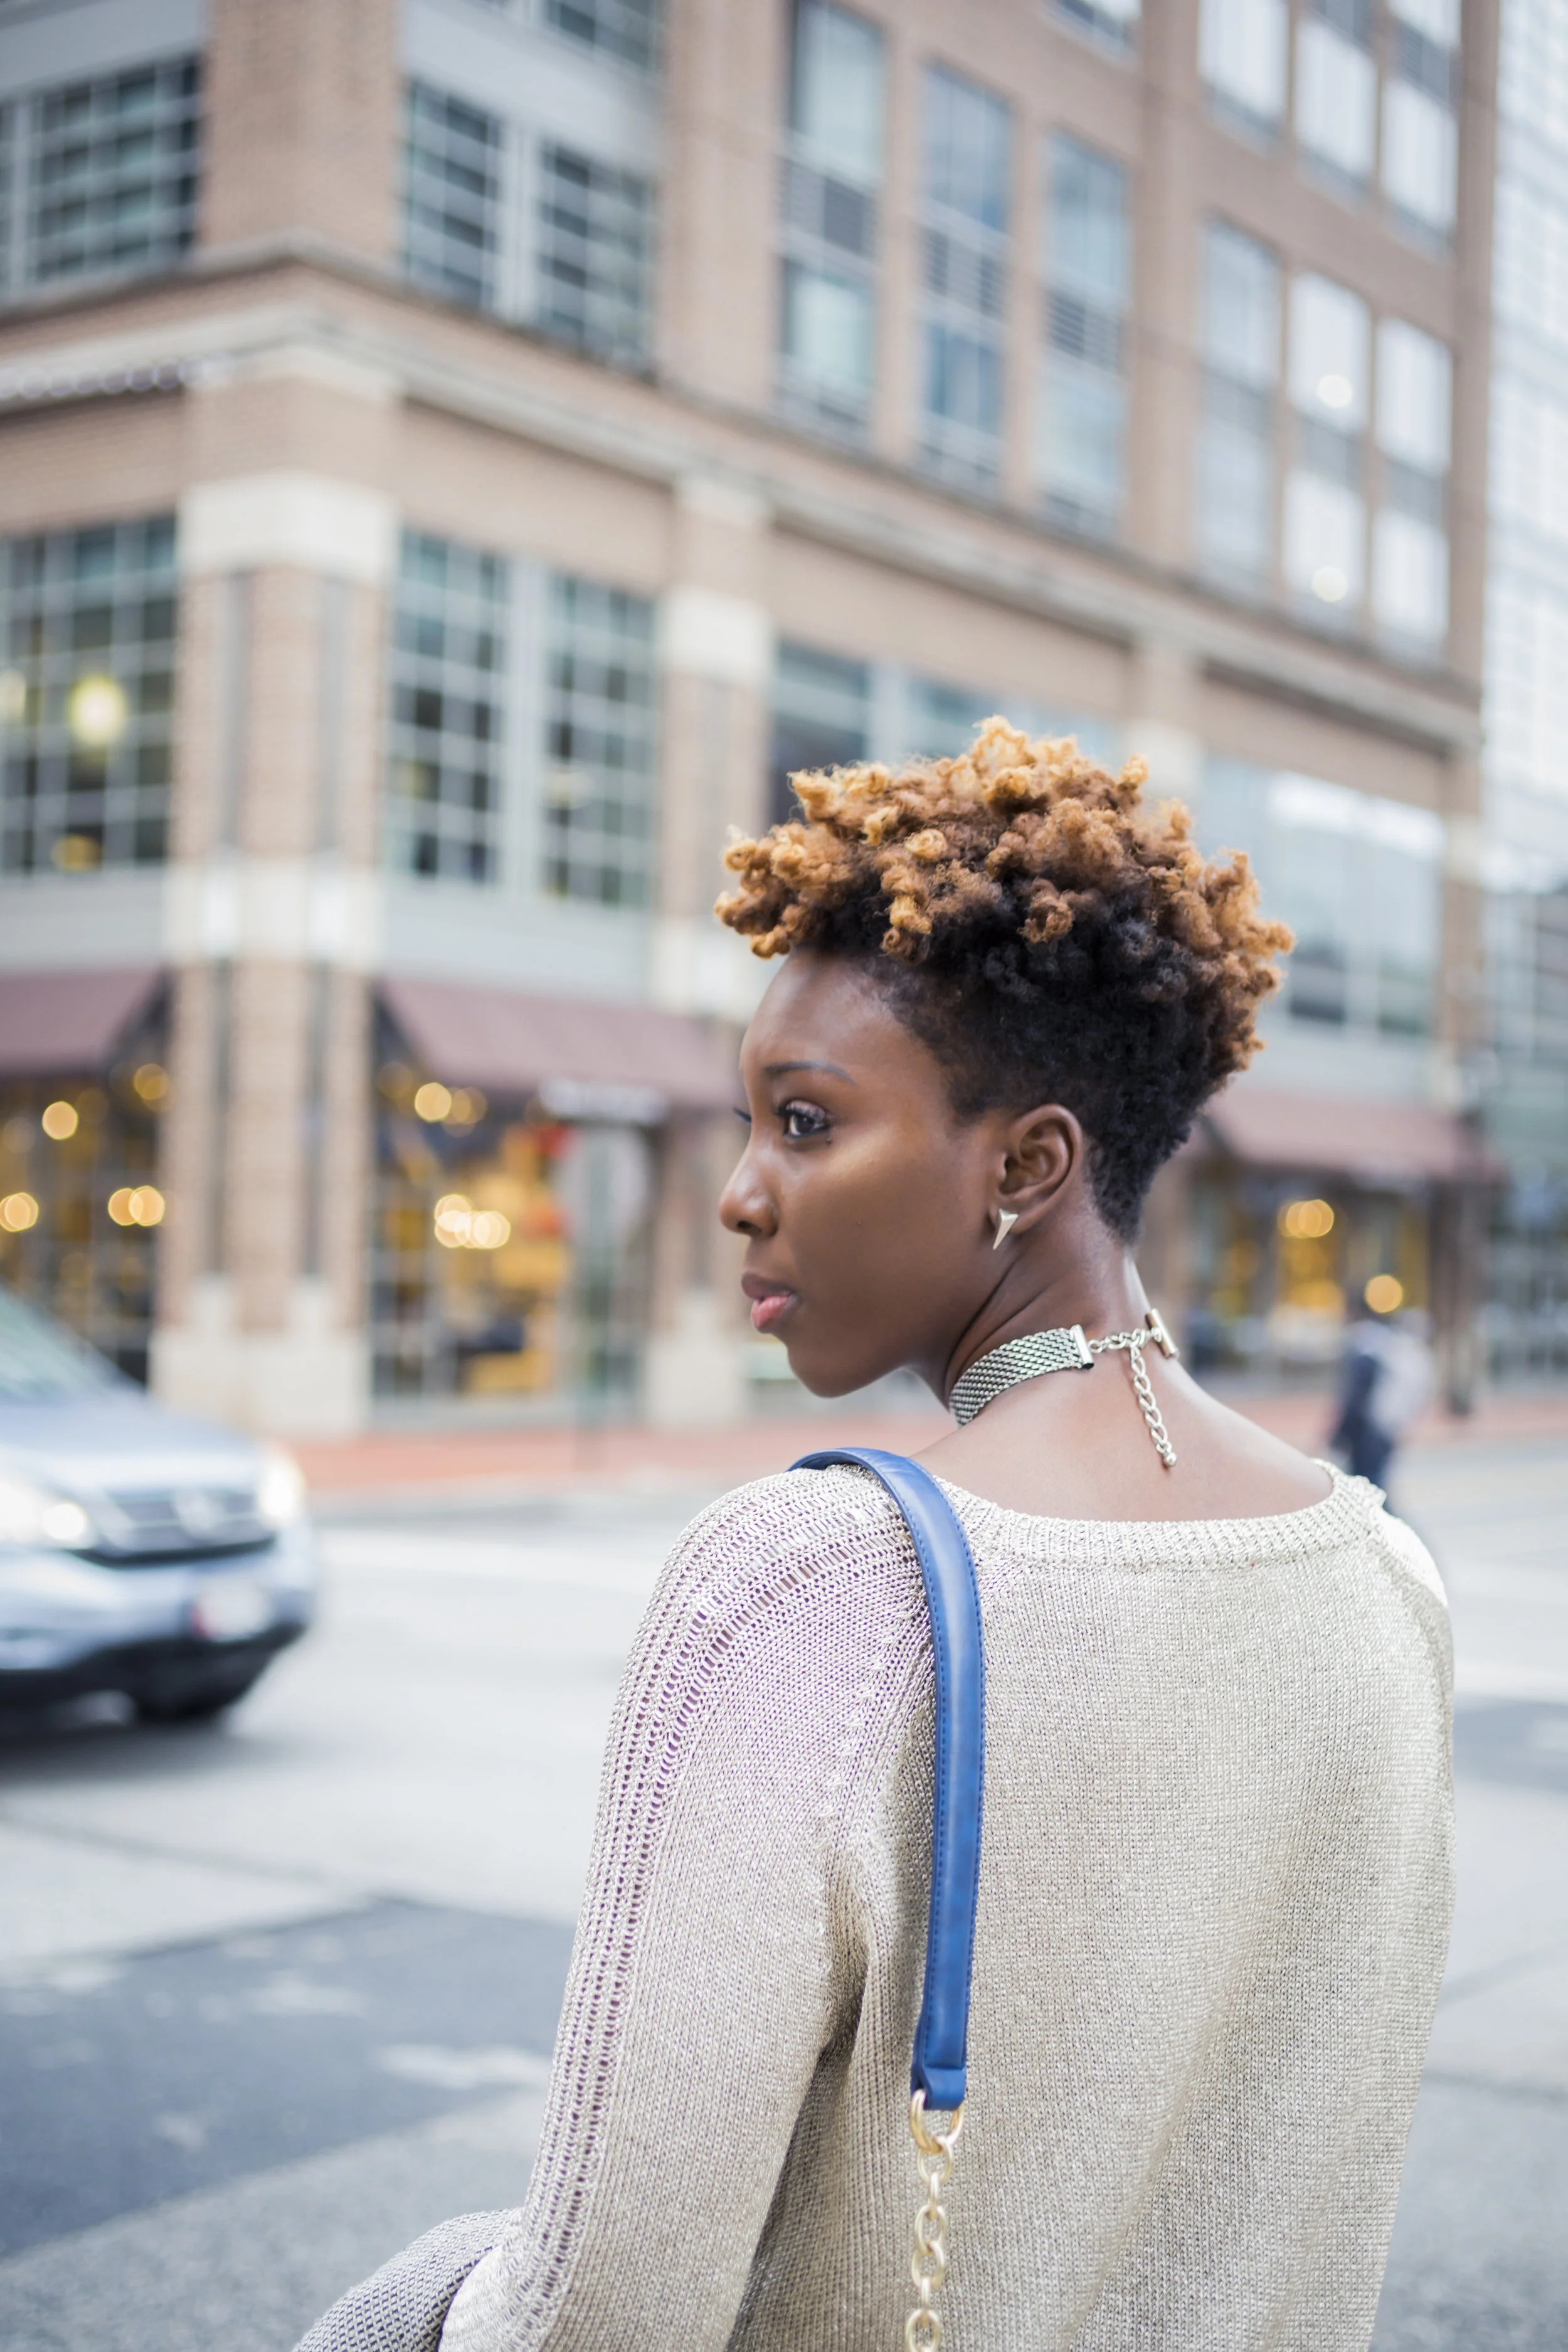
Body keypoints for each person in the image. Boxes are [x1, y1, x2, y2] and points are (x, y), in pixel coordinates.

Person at [300, 724, 1453, 2352]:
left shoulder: (814, 1586)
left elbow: (598, 2307)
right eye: (749, 1120)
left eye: (806, 1120)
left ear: (1027, 1161)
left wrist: (393, 2308)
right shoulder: (1385, 1577)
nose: (740, 1190)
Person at [1331, 1303, 1437, 1493]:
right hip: (1389, 1427)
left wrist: (1341, 1434)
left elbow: (1360, 1396)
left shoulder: (1392, 1352)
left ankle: (1389, 1522)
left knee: (1370, 1488)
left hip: (1375, 1427)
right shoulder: (1419, 1357)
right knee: (1371, 1485)